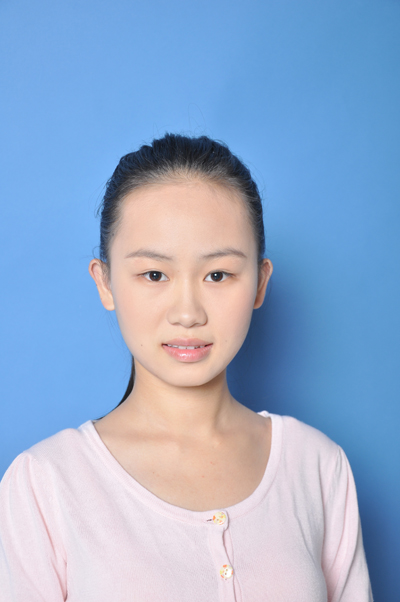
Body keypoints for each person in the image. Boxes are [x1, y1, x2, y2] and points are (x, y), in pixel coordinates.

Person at [0, 134, 373, 601]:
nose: (187, 313)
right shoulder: (45, 484)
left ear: (260, 283)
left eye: (218, 274)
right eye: (154, 274)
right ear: (105, 282)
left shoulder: (317, 466)